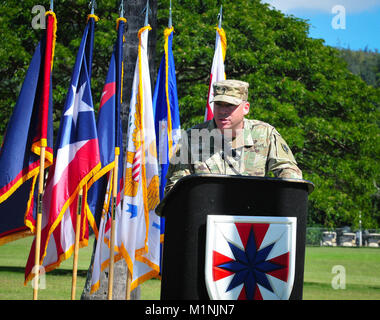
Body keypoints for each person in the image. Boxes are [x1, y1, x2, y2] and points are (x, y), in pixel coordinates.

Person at [164, 79, 302, 195]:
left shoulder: (264, 134)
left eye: (230, 105)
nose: (223, 111)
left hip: (252, 220)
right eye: (218, 104)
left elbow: (290, 174)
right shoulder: (192, 138)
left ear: (246, 108)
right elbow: (174, 188)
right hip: (205, 219)